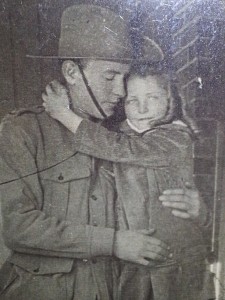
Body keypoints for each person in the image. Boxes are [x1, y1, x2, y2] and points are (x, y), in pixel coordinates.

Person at [0, 4, 174, 300]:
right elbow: (18, 226)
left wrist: (198, 211)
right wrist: (114, 242)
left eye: (124, 77)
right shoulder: (23, 132)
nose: (121, 91)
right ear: (71, 72)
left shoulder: (122, 139)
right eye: (109, 76)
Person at [42, 63, 215, 300]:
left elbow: (123, 149)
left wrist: (63, 114)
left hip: (178, 265)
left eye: (152, 97)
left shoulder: (176, 137)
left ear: (170, 99)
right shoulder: (120, 132)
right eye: (132, 100)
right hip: (135, 265)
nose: (142, 108)